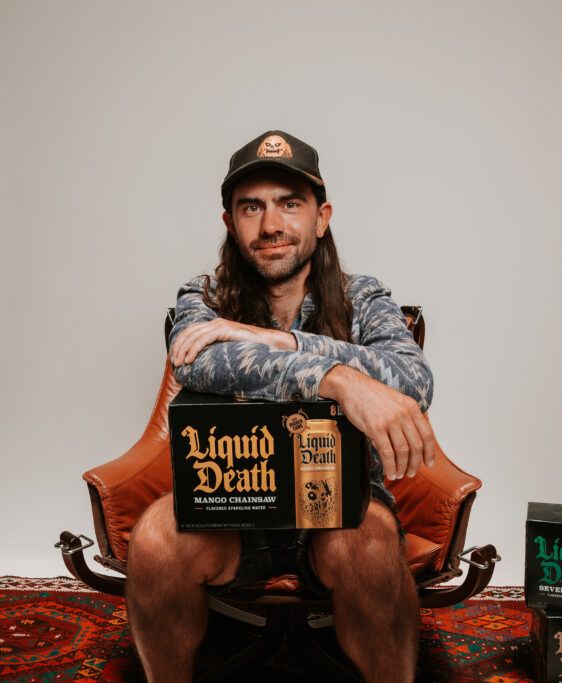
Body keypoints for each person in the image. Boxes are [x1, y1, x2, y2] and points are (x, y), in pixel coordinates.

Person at [126, 130, 438, 683]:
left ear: (322, 217)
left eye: (290, 204)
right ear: (230, 222)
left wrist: (288, 342)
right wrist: (338, 378)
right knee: (155, 536)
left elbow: (412, 381)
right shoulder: (204, 295)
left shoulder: (363, 297)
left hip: (342, 505)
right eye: (252, 207)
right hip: (230, 511)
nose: (271, 224)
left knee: (367, 545)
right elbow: (198, 364)